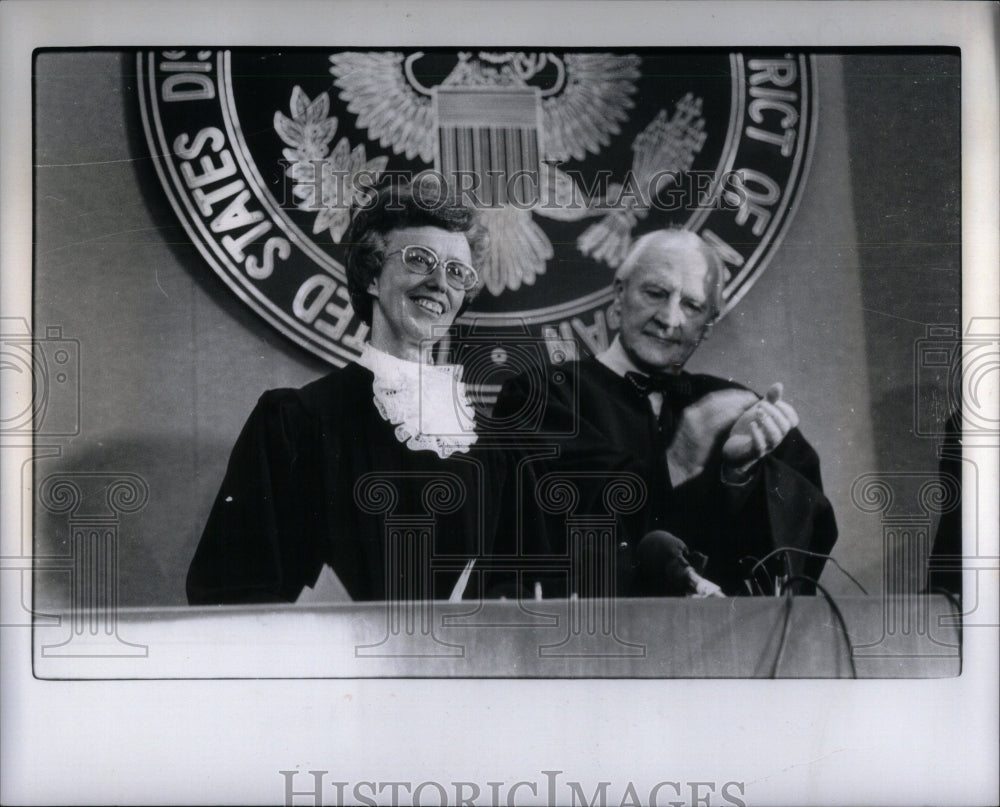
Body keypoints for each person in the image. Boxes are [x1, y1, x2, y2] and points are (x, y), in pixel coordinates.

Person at [187, 182, 514, 604]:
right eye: (420, 260)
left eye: (457, 272)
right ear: (373, 274)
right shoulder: (296, 422)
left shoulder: (492, 446)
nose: (439, 283)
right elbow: (229, 589)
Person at [491, 228, 838, 597]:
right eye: (656, 293)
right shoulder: (540, 394)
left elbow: (801, 548)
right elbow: (548, 521)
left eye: (692, 306)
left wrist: (740, 476)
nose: (670, 318)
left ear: (708, 324)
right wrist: (679, 460)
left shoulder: (736, 409)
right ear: (619, 294)